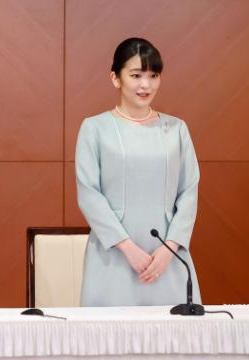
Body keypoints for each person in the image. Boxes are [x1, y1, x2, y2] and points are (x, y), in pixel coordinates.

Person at [75, 38, 200, 306]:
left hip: (168, 258)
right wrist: (128, 249)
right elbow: (89, 195)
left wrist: (169, 249)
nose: (146, 85)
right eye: (136, 75)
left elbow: (189, 192)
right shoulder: (94, 129)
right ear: (115, 78)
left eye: (153, 75)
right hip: (114, 258)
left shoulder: (176, 129)